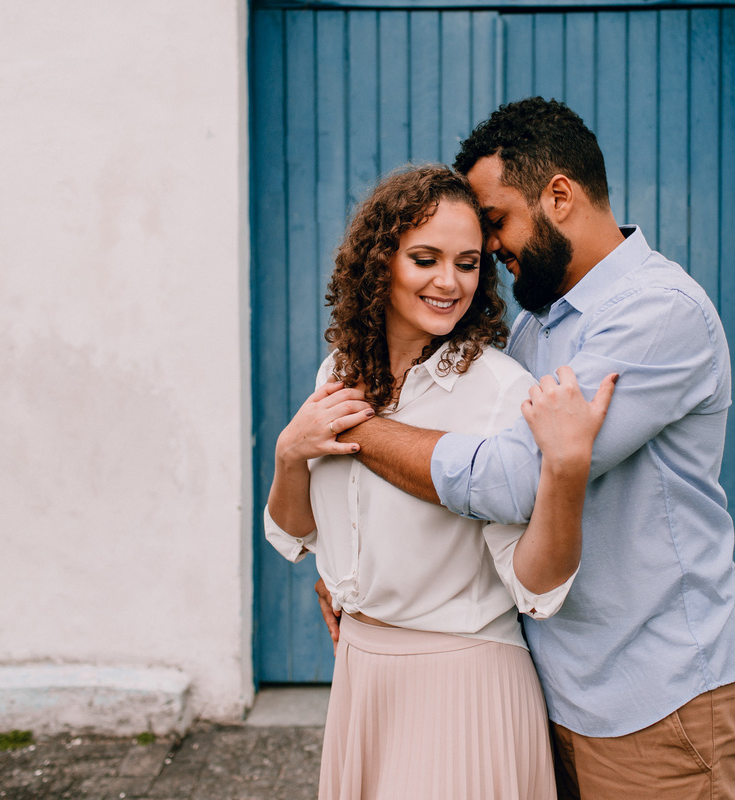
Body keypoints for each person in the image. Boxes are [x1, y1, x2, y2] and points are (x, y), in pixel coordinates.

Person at [328, 98, 735, 799]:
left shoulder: (658, 314)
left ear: (559, 194)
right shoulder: (536, 325)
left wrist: (355, 428)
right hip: (547, 687)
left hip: (650, 698)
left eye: (496, 221)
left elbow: (513, 482)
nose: (491, 248)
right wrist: (357, 576)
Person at [263, 165, 615, 800]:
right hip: (363, 675)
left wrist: (565, 472)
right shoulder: (338, 372)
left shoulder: (498, 390)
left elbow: (536, 587)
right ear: (380, 261)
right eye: (425, 259)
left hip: (463, 679)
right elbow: (297, 534)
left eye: (469, 263)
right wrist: (290, 452)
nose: (449, 282)